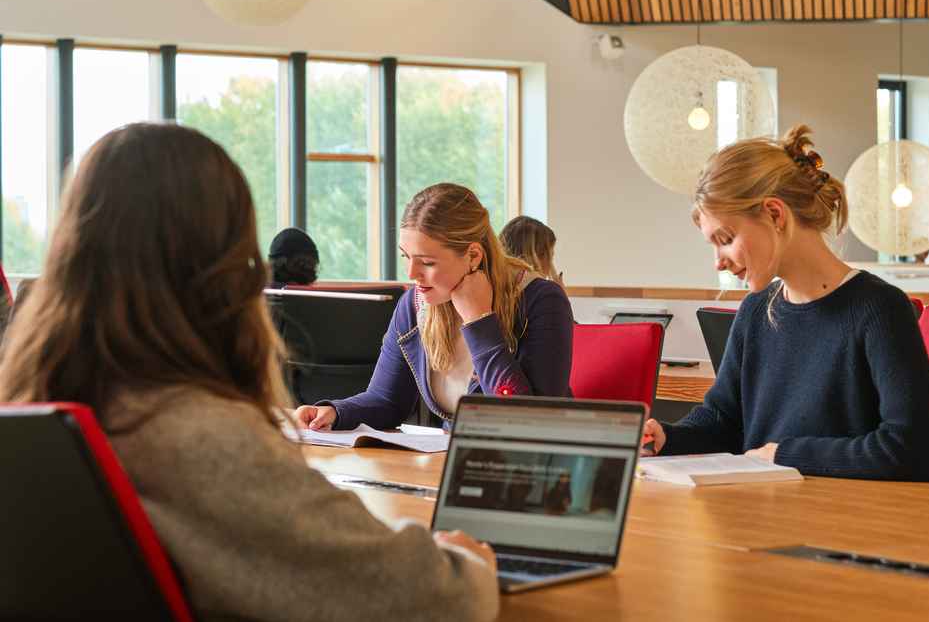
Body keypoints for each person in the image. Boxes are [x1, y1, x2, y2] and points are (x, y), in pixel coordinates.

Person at [0, 124, 498, 622]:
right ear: (224, 267)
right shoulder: (200, 440)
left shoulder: (31, 411)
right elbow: (441, 599)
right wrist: (463, 559)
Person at [641, 124, 929, 481]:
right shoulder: (756, 311)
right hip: (764, 504)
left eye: (725, 239)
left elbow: (915, 448)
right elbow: (721, 420)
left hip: (840, 511)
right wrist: (667, 438)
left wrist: (785, 455)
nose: (718, 262)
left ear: (774, 214)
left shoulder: (878, 308)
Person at [295, 183, 574, 430]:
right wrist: (336, 412)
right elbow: (386, 401)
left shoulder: (541, 300)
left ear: (473, 256)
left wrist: (479, 321)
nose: (411, 274)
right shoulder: (415, 305)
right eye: (406, 257)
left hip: (530, 465)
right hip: (450, 458)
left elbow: (528, 423)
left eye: (427, 262)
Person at [499, 215, 562, 286]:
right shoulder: (546, 289)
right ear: (537, 257)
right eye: (551, 257)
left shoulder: (495, 285)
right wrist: (559, 289)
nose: (551, 265)